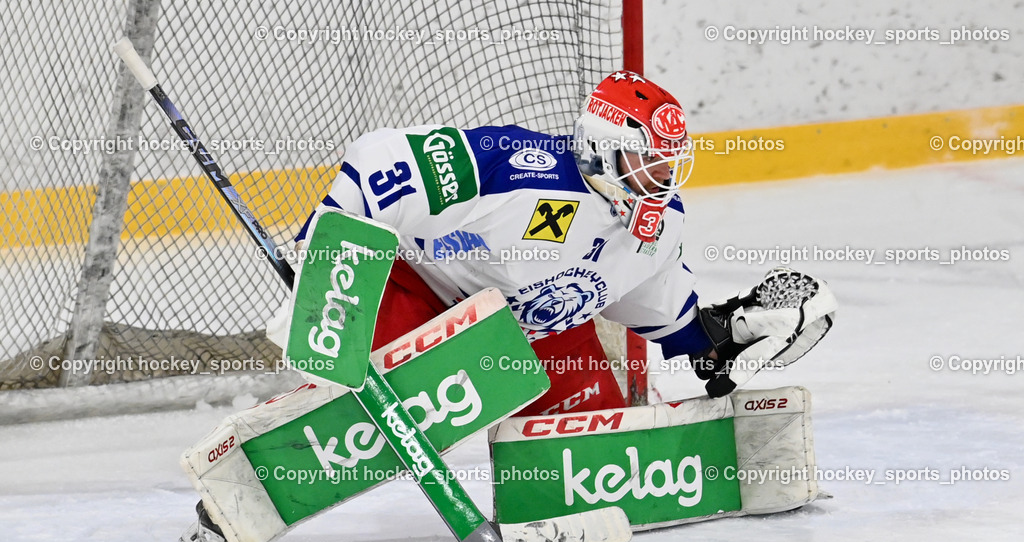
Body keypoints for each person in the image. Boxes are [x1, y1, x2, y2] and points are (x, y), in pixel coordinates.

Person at [277, 70, 834, 413]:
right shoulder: (519, 168)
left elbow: (663, 311)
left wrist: (725, 339)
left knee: (600, 456)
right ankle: (273, 457)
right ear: (601, 150)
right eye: (647, 161)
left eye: (669, 163)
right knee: (362, 407)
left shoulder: (660, 228)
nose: (662, 179)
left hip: (525, 341)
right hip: (419, 296)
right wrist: (324, 257)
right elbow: (381, 158)